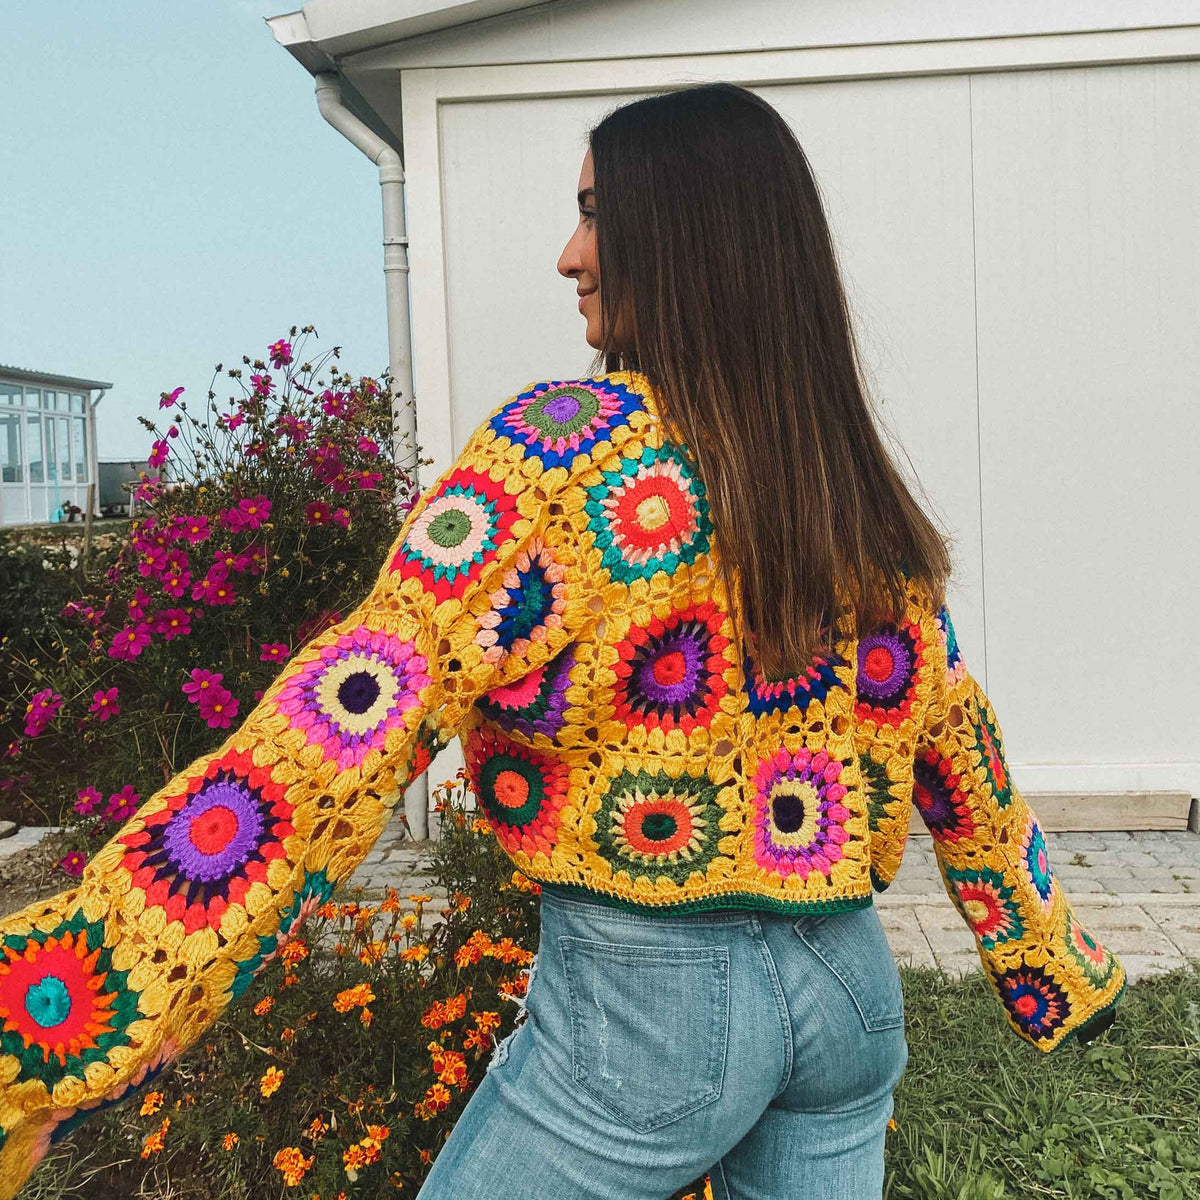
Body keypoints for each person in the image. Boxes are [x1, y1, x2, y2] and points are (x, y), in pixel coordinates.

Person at [0, 82, 1123, 1200]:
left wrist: (92, 996)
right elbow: (959, 741)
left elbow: (353, 713)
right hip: (850, 997)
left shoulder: (565, 459)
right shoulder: (845, 484)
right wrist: (1048, 961)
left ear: (685, 238)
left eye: (595, 214)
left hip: (650, 1020)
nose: (567, 254)